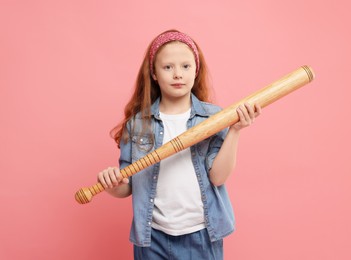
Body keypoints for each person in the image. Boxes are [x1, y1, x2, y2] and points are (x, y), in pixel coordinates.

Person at [97, 29, 261, 259]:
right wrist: (112, 183)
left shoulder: (215, 118)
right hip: (151, 238)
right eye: (168, 67)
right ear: (154, 73)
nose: (177, 74)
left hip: (202, 235)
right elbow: (127, 185)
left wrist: (235, 130)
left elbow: (218, 177)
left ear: (196, 70)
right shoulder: (138, 124)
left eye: (186, 66)